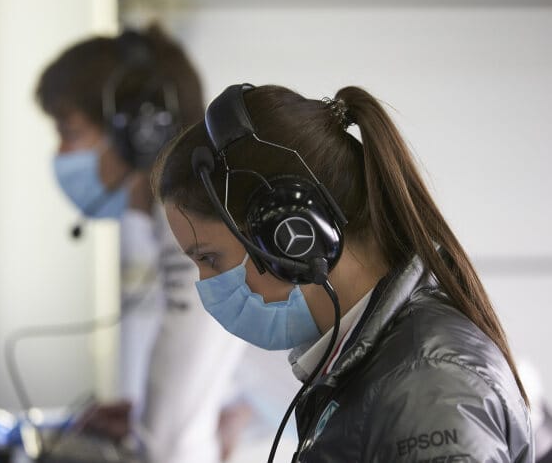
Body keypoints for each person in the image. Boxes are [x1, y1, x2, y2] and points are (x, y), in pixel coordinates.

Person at [152, 83, 533, 461]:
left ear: (292, 237)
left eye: (210, 258)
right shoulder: (371, 366)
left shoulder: (427, 387)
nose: (206, 284)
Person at [35, 26, 250, 463]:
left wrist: (150, 432)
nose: (59, 152)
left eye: (69, 131)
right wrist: (143, 419)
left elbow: (171, 450)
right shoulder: (205, 215)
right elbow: (228, 404)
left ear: (141, 133)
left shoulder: (198, 234)